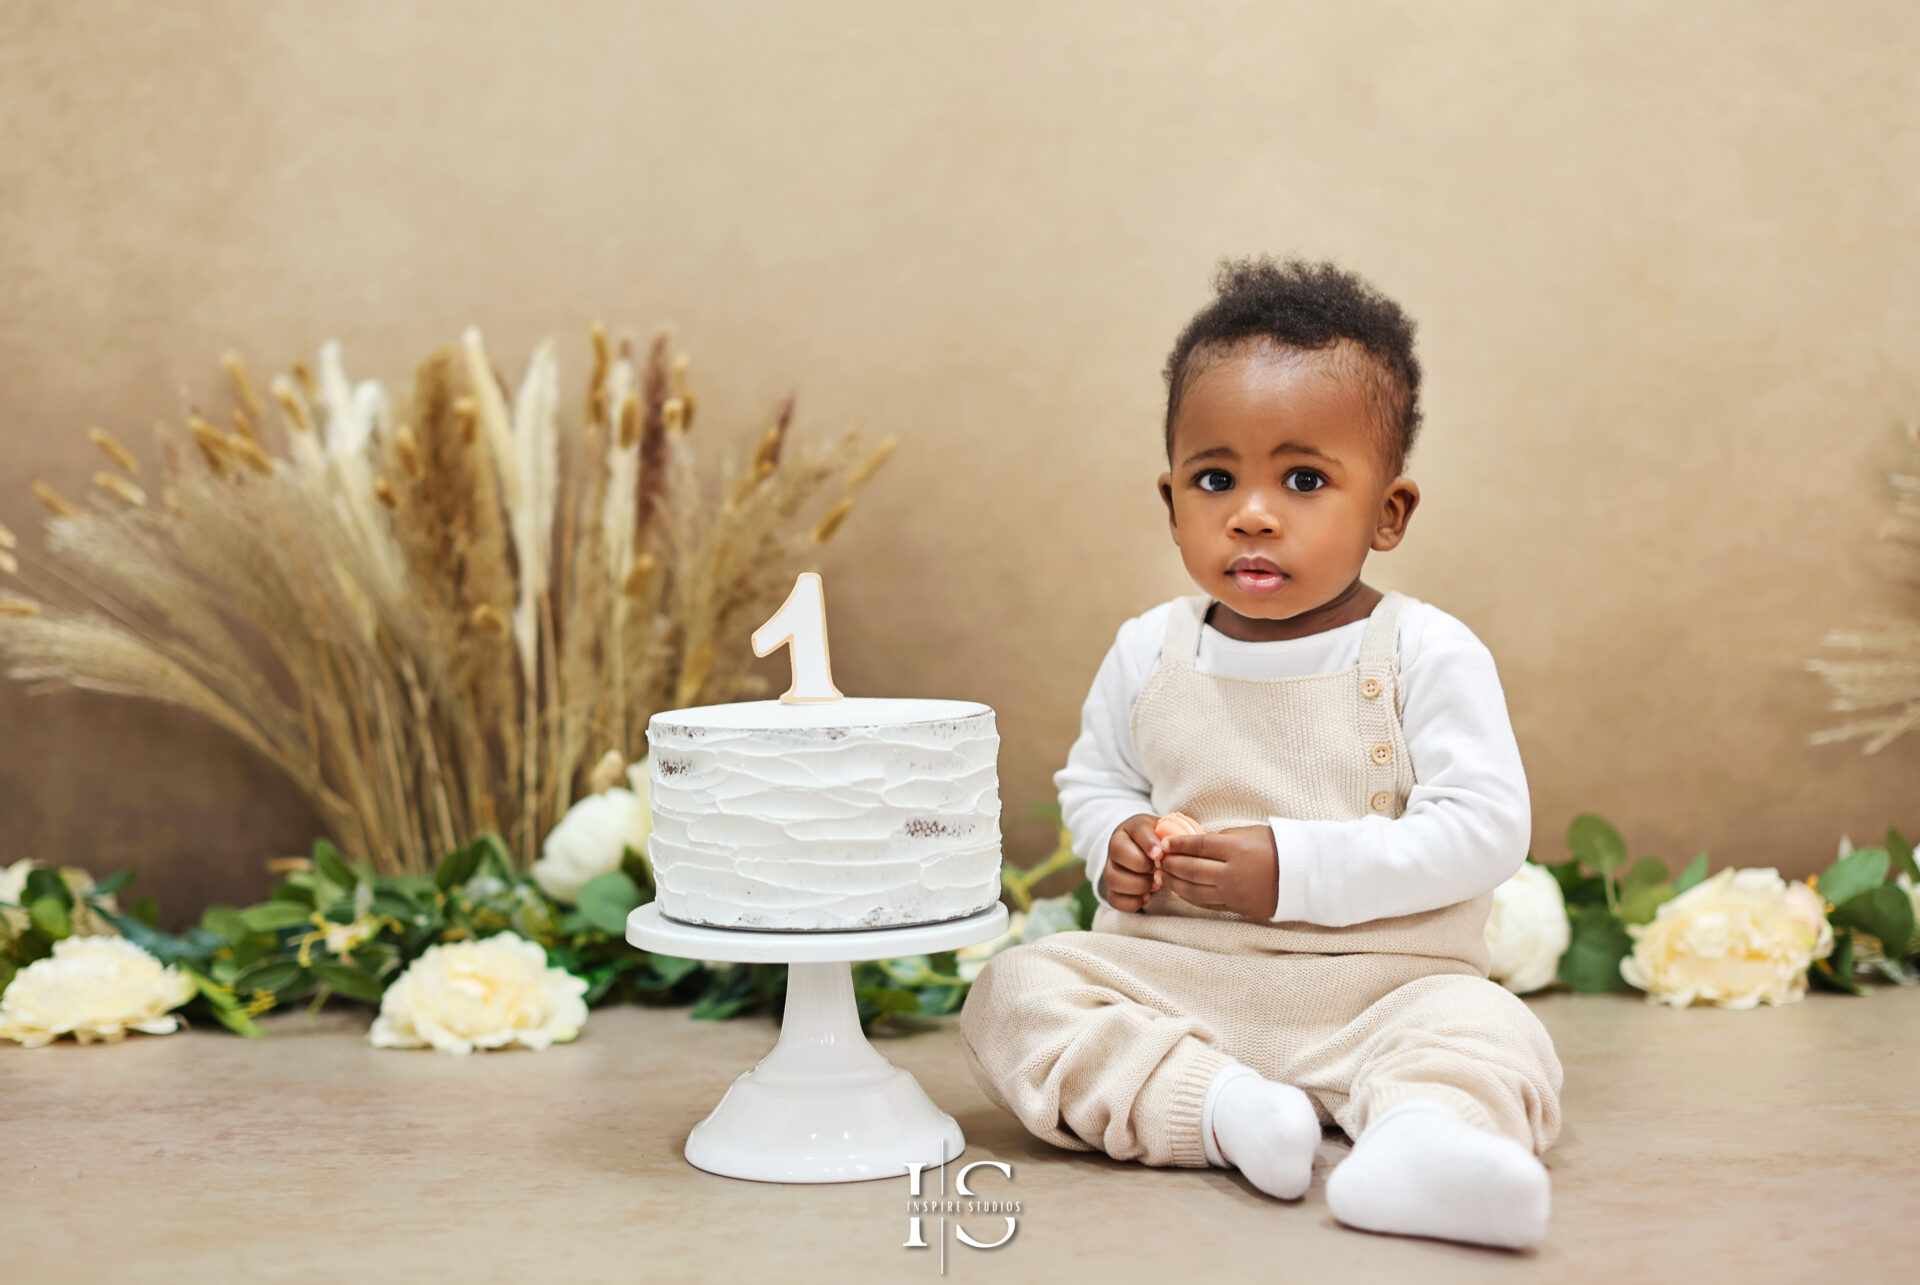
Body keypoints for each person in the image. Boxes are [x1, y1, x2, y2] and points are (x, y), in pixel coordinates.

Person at [958, 256, 1564, 1252]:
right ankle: (1223, 1109)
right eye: (1214, 477)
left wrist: (1293, 867)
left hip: (1381, 989)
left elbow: (1486, 829)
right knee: (1014, 995)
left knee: (1491, 1034)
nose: (1251, 510)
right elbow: (1096, 774)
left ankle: (1421, 1144)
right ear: (1171, 499)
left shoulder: (1424, 650)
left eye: (1305, 478)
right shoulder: (1147, 649)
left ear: (1389, 511)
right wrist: (1121, 833)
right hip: (1175, 985)